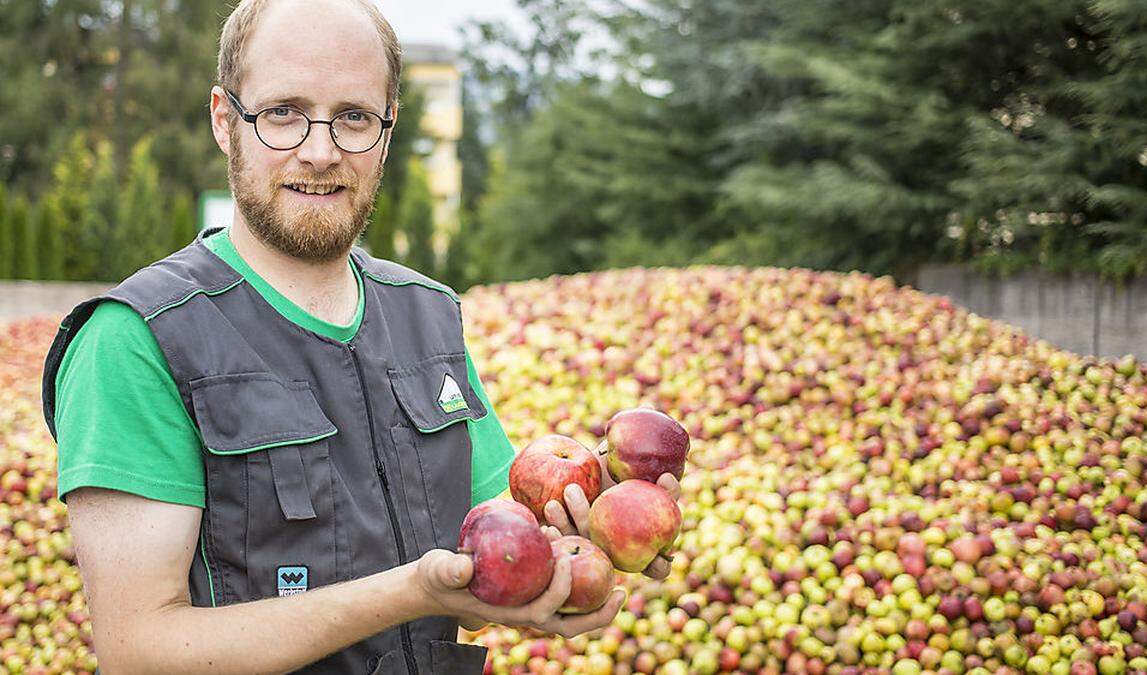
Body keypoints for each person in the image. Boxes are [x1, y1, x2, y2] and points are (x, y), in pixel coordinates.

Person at [39, 0, 679, 672]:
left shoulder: (427, 316)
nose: (321, 151)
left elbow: (488, 555)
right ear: (226, 121)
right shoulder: (138, 340)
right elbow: (138, 650)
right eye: (283, 111)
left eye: (353, 117)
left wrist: (593, 528)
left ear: (387, 129)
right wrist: (408, 591)